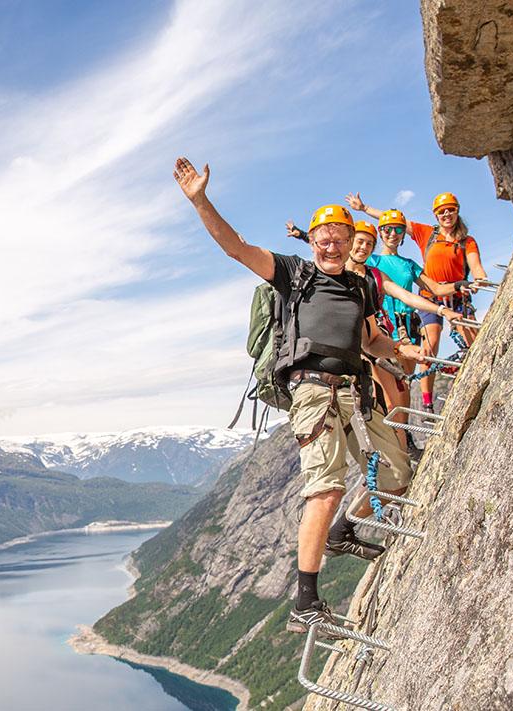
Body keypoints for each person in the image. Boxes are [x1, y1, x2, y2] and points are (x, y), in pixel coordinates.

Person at [173, 157, 422, 636]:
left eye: (340, 238)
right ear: (312, 242)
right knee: (325, 487)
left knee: (396, 477)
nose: (331, 244)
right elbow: (236, 248)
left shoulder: (359, 287)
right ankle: (305, 601)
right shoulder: (294, 274)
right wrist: (201, 201)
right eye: (323, 238)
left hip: (356, 390)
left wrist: (406, 352)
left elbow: (371, 341)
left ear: (351, 244)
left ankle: (343, 531)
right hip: (313, 392)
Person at [346, 192, 489, 411]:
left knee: (404, 385)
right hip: (381, 328)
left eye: (398, 231)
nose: (393, 234)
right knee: (389, 395)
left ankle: (407, 434)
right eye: (387, 230)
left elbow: (435, 287)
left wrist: (461, 284)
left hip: (407, 327)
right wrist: (364, 210)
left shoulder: (410, 264)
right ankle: (396, 429)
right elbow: (346, 257)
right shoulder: (371, 260)